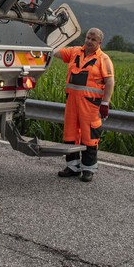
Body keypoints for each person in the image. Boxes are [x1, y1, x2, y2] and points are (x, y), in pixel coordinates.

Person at [56, 27, 115, 182]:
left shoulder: (104, 59)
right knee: (70, 134)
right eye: (88, 38)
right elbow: (56, 52)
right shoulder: (75, 52)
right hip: (72, 103)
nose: (89, 41)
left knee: (89, 137)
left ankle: (88, 169)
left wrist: (105, 103)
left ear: (100, 42)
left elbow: (110, 82)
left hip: (91, 105)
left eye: (93, 39)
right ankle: (72, 167)